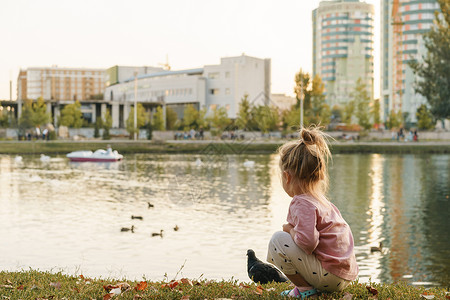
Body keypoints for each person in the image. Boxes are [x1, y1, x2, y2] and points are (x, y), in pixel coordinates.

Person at [267, 126, 358, 298]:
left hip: (330, 277)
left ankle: (305, 290)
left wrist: (290, 230)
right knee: (284, 240)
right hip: (344, 276)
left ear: (287, 177)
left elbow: (308, 242)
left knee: (278, 241)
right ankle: (309, 286)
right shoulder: (322, 202)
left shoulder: (301, 202)